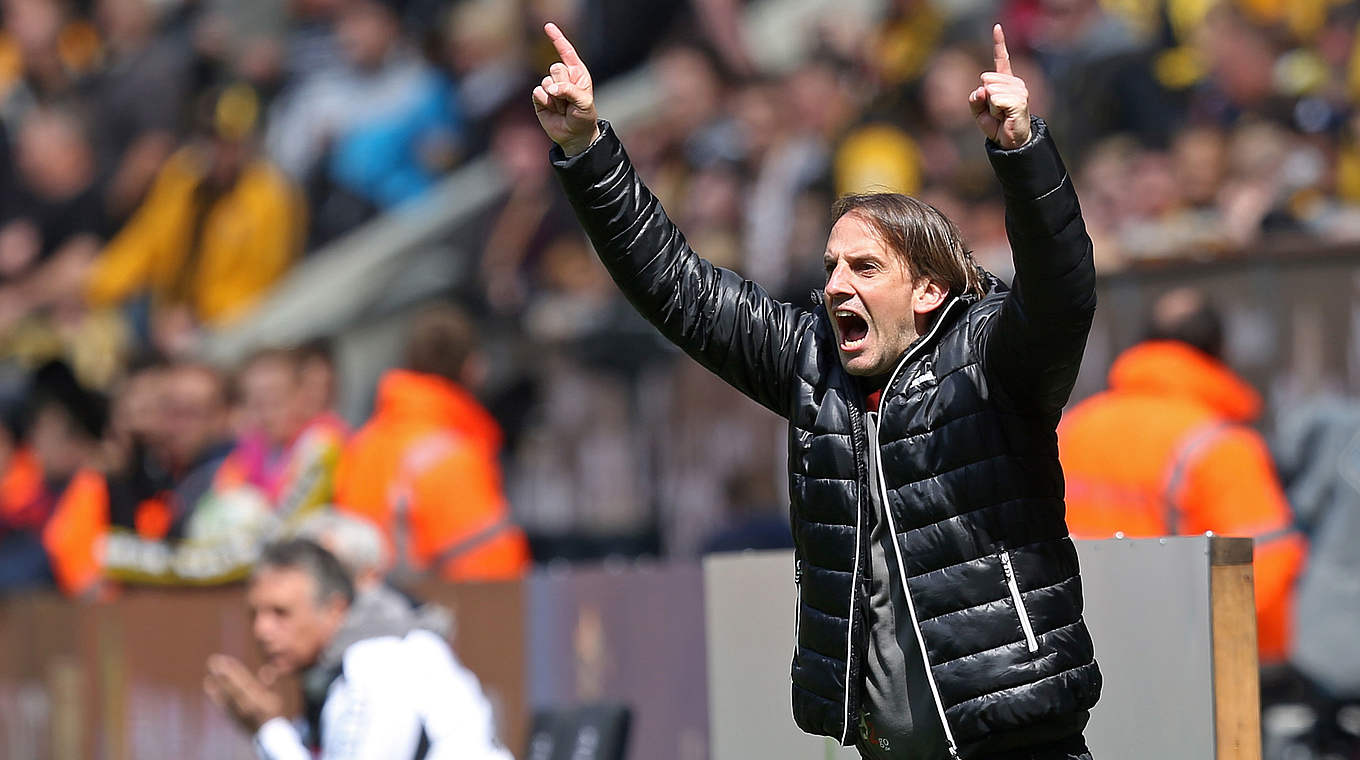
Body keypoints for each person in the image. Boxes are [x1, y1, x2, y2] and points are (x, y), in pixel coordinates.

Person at [535, 22, 1100, 760]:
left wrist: (1022, 152)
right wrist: (586, 150)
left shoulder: (992, 360)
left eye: (864, 268)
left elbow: (1062, 288)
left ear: (929, 289)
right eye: (831, 266)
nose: (835, 285)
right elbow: (675, 285)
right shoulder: (814, 368)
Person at [1058, 288, 1306, 666]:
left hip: (1078, 652)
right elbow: (1263, 574)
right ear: (1219, 351)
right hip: (1184, 665)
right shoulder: (1219, 445)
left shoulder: (1072, 429)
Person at [203, 538, 512, 760]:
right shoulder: (344, 666)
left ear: (335, 610)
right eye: (254, 614)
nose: (262, 630)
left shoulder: (378, 663)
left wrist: (267, 727)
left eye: (281, 613)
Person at [334, 305, 529, 582]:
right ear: (473, 368)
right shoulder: (452, 457)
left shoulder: (364, 442)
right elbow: (493, 581)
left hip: (369, 615)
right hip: (430, 617)